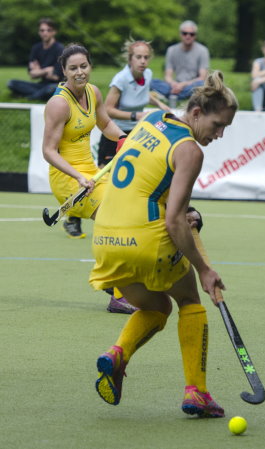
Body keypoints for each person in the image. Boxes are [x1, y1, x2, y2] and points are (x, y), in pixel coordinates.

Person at [89, 71, 238, 416]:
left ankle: (117, 355)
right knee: (189, 300)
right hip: (146, 239)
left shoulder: (152, 118)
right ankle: (197, 393)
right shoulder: (190, 151)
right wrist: (204, 269)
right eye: (217, 125)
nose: (219, 134)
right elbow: (173, 221)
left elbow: (146, 173)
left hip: (105, 237)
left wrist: (183, 209)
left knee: (156, 308)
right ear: (197, 113)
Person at [42, 43, 137, 315]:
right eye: (73, 68)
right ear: (64, 71)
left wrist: (123, 139)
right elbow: (48, 151)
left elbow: (105, 124)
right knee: (115, 219)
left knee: (126, 213)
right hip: (67, 177)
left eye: (84, 66)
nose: (80, 72)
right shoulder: (59, 104)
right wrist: (78, 177)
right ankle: (117, 294)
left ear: (90, 66)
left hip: (92, 173)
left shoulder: (93, 92)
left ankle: (111, 279)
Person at [98, 39, 171, 168]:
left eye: (146, 57)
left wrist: (159, 104)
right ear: (130, 59)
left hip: (137, 133)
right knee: (106, 174)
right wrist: (136, 116)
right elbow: (108, 110)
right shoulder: (121, 79)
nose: (143, 61)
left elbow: (143, 94)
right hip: (115, 133)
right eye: (138, 57)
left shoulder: (148, 74)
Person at [150, 20, 210, 108]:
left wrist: (183, 85)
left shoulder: (203, 51)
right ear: (180, 34)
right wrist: (174, 84)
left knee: (202, 84)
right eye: (185, 33)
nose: (188, 36)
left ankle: (171, 96)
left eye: (191, 34)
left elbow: (202, 77)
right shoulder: (171, 50)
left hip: (191, 86)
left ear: (195, 36)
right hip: (173, 85)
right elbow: (167, 76)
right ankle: (174, 95)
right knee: (150, 82)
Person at [7, 18, 64, 101]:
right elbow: (32, 75)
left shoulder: (60, 48)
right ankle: (39, 95)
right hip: (41, 85)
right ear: (39, 32)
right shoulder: (36, 48)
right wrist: (47, 70)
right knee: (11, 83)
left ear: (54, 32)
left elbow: (55, 77)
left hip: (55, 85)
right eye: (42, 30)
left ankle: (29, 97)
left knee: (51, 89)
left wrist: (39, 71)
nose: (45, 33)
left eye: (48, 30)